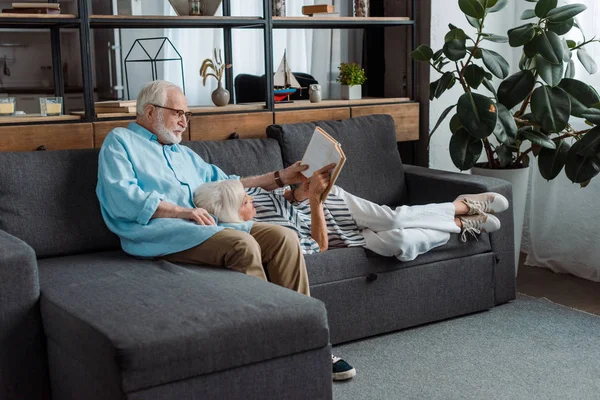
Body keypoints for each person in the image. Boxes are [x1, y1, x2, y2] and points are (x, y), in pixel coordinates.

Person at [95, 80, 355, 381]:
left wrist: (281, 177)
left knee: (284, 238)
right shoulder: (120, 141)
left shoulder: (183, 154)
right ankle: (267, 353)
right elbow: (122, 198)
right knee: (242, 245)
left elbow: (227, 183)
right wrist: (183, 211)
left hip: (208, 228)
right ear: (150, 111)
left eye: (187, 115)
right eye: (178, 113)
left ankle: (310, 345)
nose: (184, 121)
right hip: (164, 235)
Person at [193, 165, 509, 263]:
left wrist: (301, 192)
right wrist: (313, 201)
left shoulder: (253, 197)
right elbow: (319, 246)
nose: (253, 199)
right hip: (327, 224)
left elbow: (286, 196)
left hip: (333, 204)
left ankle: (462, 206)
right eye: (246, 203)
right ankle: (456, 225)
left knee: (394, 220)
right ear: (235, 216)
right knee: (397, 244)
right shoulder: (263, 236)